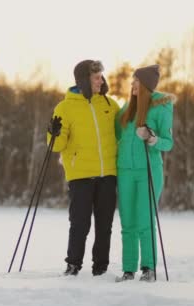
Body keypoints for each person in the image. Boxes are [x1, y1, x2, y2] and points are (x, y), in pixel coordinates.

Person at [47, 60, 120, 276]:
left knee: (104, 225)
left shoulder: (109, 104)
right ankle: (73, 264)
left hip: (107, 173)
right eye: (96, 77)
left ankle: (101, 267)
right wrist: (53, 132)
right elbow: (56, 146)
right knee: (80, 223)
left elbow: (124, 129)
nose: (101, 81)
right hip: (80, 175)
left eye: (101, 76)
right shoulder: (65, 107)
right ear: (84, 80)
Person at [114, 65, 175, 282]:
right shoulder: (126, 109)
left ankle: (148, 268)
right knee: (127, 222)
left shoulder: (162, 107)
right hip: (125, 171)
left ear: (146, 85)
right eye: (132, 82)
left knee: (144, 220)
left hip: (148, 171)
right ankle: (128, 270)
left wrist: (152, 138)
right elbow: (112, 134)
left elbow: (168, 143)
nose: (132, 85)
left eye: (136, 82)